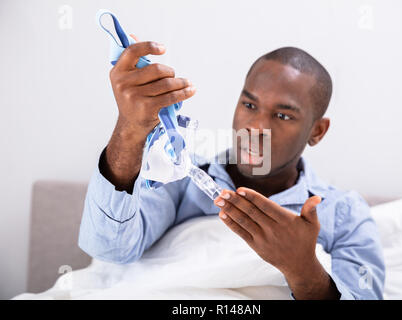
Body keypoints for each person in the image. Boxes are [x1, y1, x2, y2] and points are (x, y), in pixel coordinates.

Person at [78, 39, 385, 300]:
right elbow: (109, 249)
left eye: (282, 116)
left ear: (316, 131)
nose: (256, 128)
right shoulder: (179, 177)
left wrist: (304, 271)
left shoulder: (344, 215)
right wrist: (130, 131)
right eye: (249, 106)